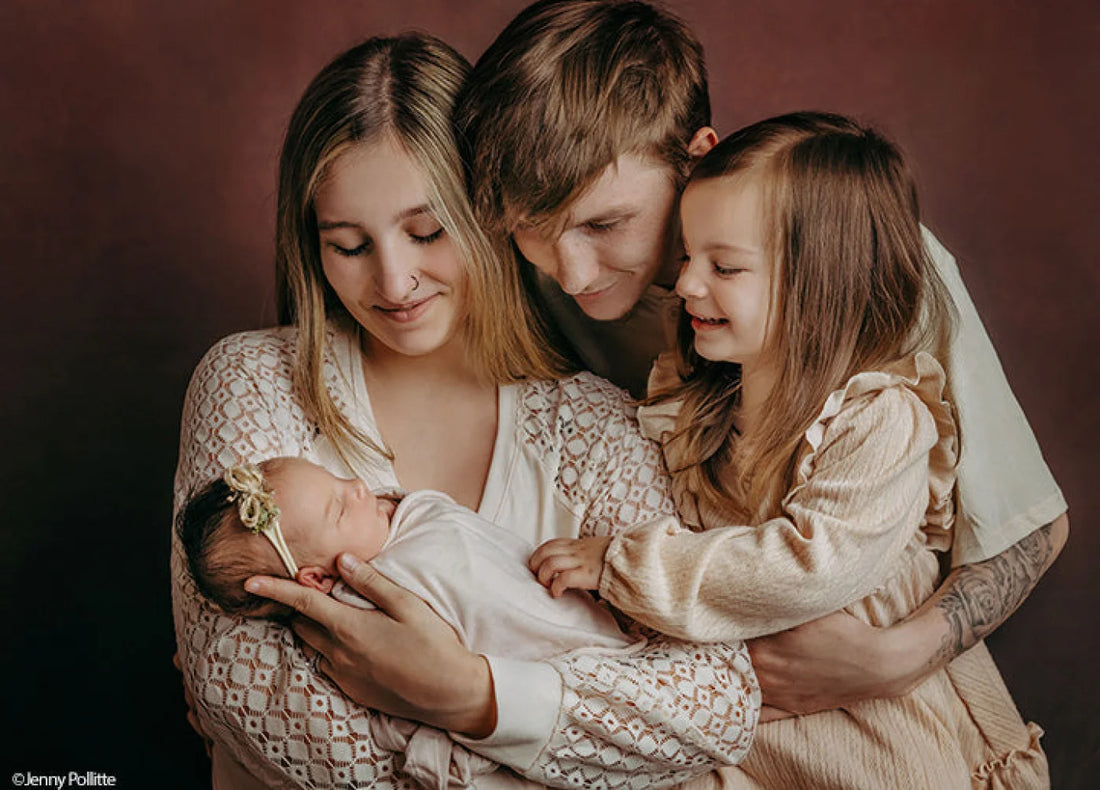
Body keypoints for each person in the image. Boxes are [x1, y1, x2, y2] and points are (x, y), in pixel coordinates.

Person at [172, 33, 759, 790]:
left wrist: (468, 695)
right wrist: (567, 747)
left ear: (495, 214)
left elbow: (716, 705)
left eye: (428, 232)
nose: (395, 282)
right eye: (348, 245)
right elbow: (248, 696)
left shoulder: (595, 425)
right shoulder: (253, 380)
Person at [456, 0, 1068, 720]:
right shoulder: (520, 283)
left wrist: (890, 662)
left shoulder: (859, 264)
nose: (573, 272)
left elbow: (1028, 527)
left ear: (697, 155)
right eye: (531, 228)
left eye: (606, 224)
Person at [531, 111, 1049, 787]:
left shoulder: (880, 418)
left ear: (820, 284)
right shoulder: (699, 406)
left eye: (724, 266)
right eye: (688, 257)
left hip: (889, 737)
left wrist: (622, 565)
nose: (685, 284)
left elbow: (811, 566)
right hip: (766, 734)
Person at [178, 457, 637, 788]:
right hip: (559, 688)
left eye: (338, 479)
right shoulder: (364, 615)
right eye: (340, 507)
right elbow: (398, 705)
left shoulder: (410, 515)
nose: (359, 486)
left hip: (605, 655)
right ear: (315, 579)